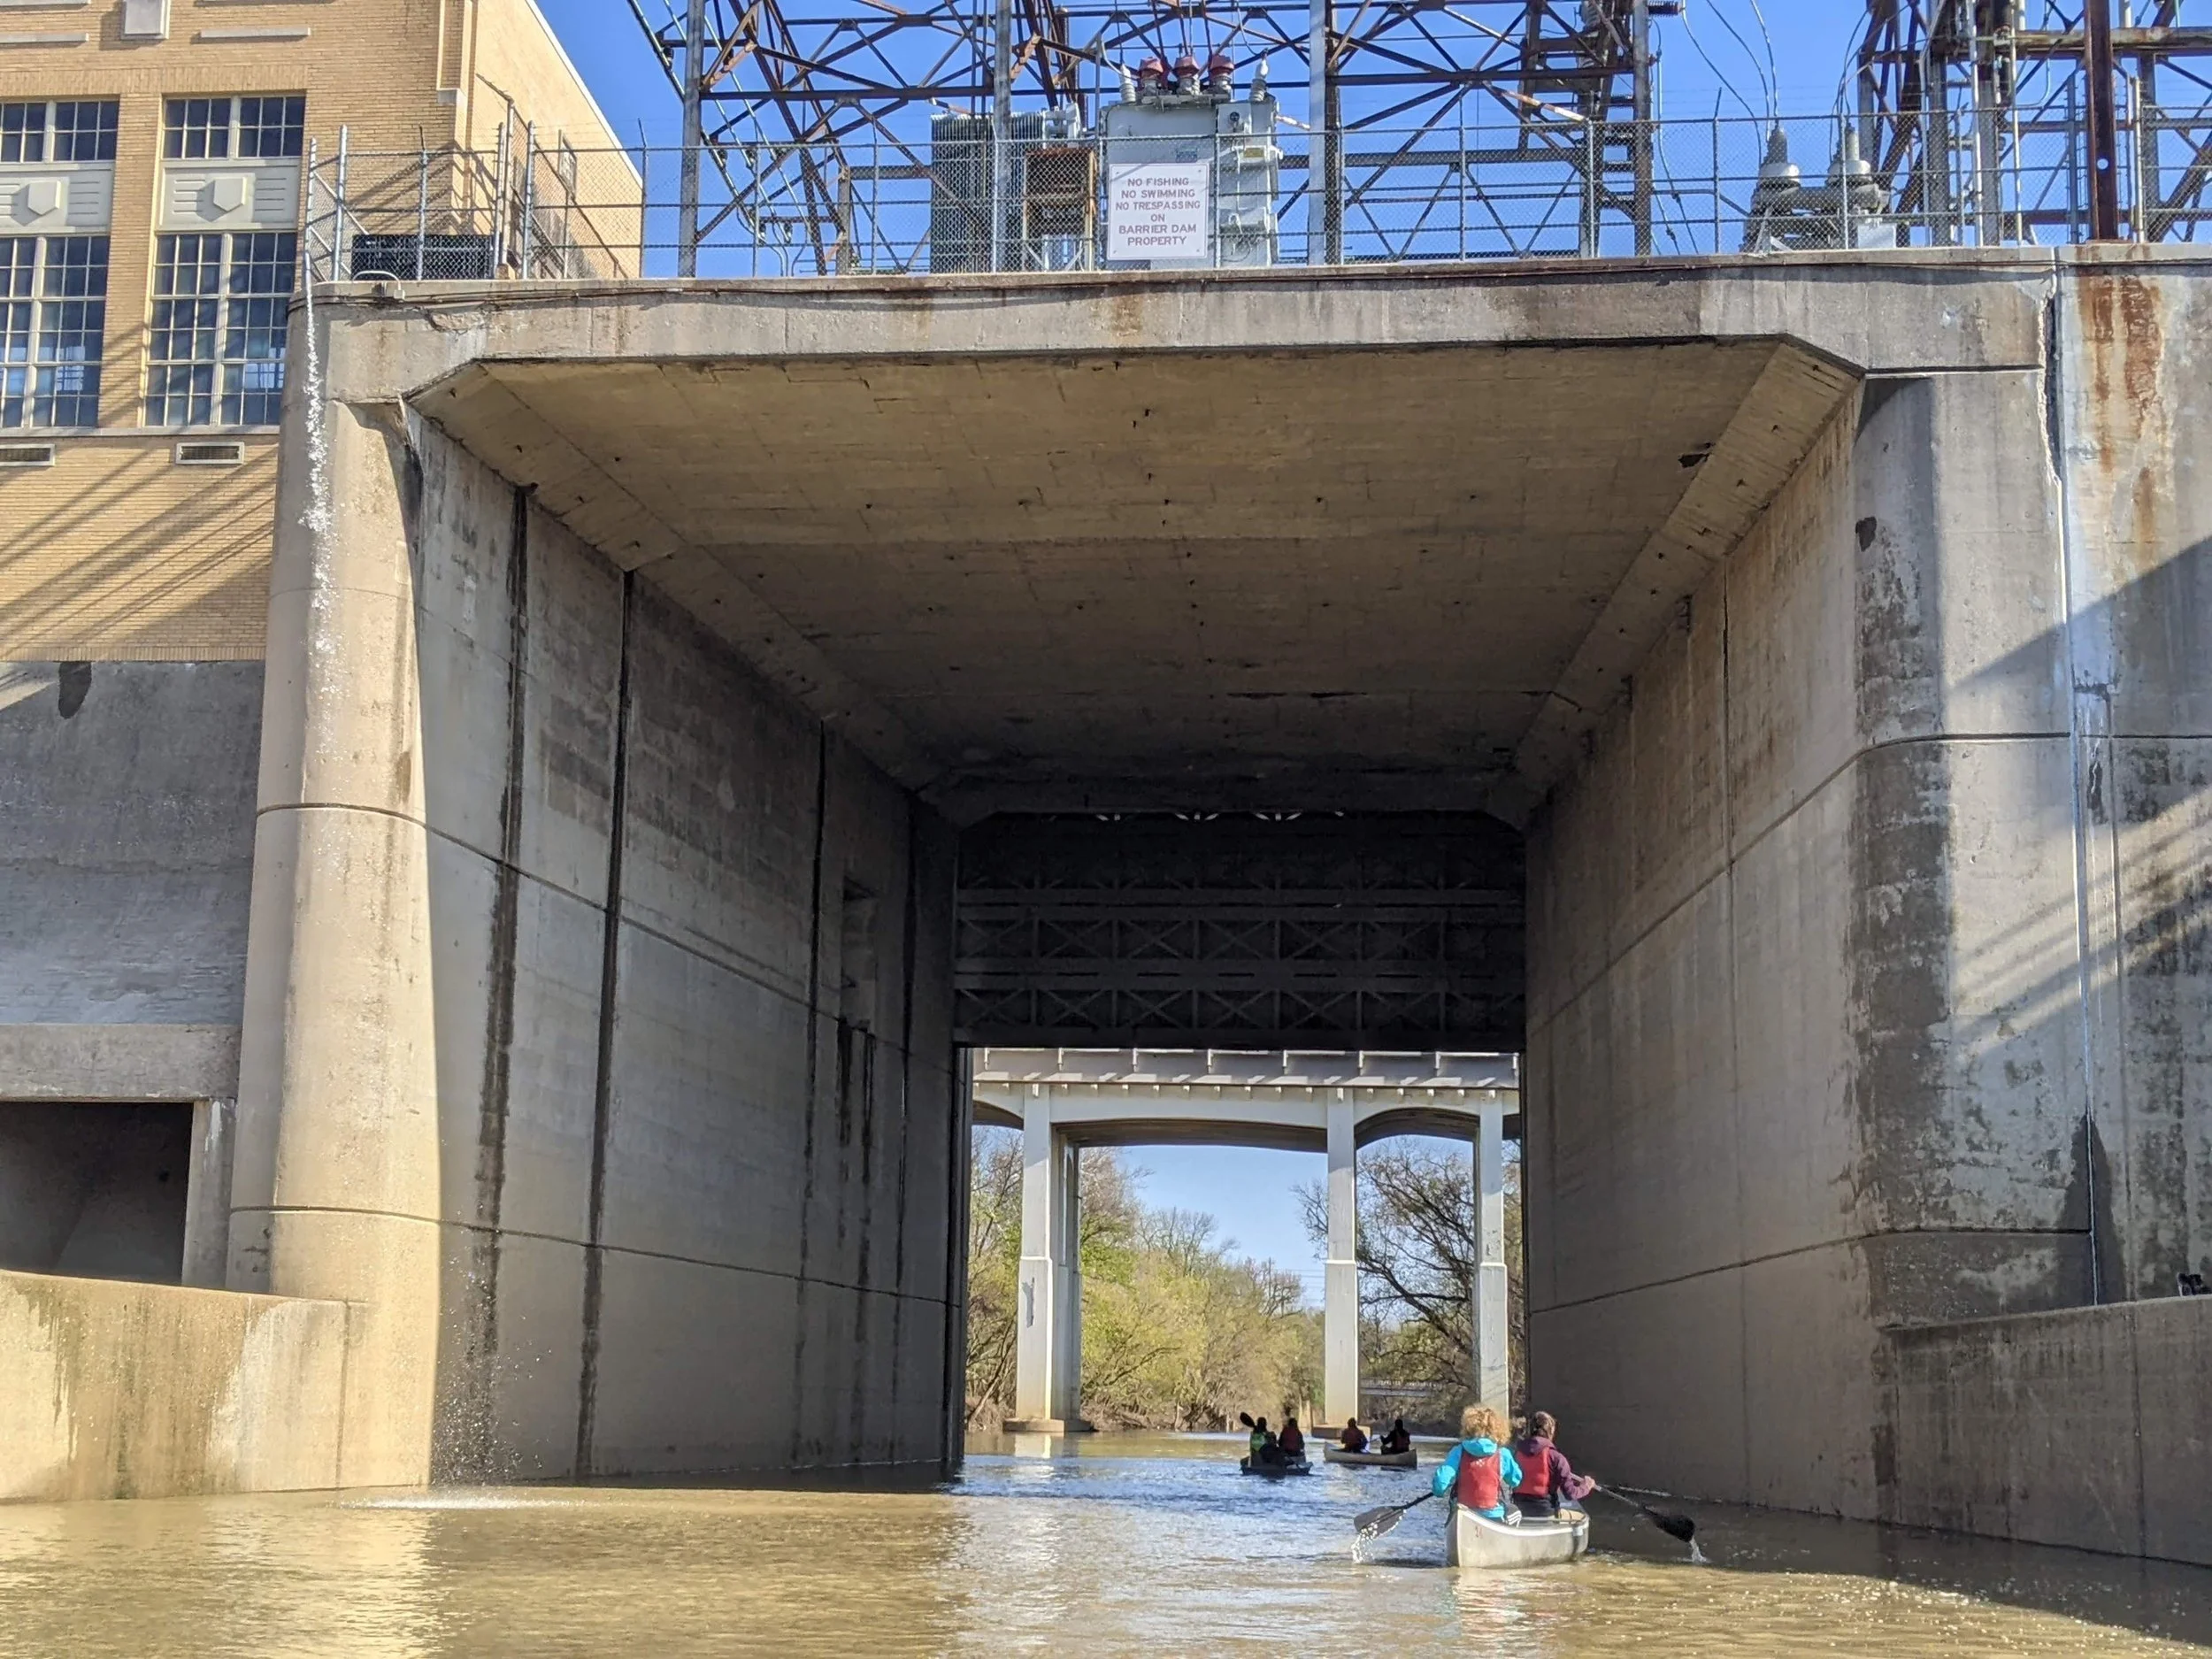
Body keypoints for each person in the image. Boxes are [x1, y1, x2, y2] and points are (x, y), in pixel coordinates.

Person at [1432, 1404, 1522, 1523]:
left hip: (1463, 1514)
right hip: (1493, 1515)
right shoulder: (1503, 1454)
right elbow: (1515, 1480)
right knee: (1515, 1513)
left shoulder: (1458, 1451)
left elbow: (1440, 1482)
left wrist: (1438, 1492)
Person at [1512, 1410, 1595, 1519]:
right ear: (1551, 1431)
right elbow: (1571, 1494)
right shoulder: (1557, 1458)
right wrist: (1586, 1486)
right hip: (1546, 1513)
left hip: (1519, 1512)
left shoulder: (1516, 1454)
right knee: (1583, 1518)